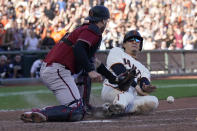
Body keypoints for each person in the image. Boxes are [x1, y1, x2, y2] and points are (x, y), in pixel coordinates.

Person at [21, 5, 121, 122]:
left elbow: (94, 62)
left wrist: (113, 79)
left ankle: (84, 106)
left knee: (86, 70)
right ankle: (40, 113)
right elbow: (79, 49)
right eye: (106, 21)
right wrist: (90, 70)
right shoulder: (93, 30)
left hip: (54, 69)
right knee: (76, 111)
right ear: (104, 20)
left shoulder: (84, 29)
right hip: (57, 70)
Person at [101, 30, 159, 115]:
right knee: (128, 95)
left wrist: (145, 87)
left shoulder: (144, 69)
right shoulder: (117, 51)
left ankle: (111, 108)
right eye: (130, 40)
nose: (134, 42)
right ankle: (118, 107)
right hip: (112, 89)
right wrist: (136, 86)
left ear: (140, 46)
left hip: (130, 96)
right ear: (124, 44)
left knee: (153, 101)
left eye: (137, 40)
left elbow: (144, 81)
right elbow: (119, 70)